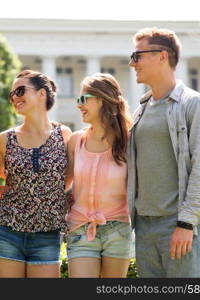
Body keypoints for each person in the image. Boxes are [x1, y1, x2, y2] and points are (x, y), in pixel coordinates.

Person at [128, 27, 200, 277]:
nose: (132, 63)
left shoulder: (195, 104)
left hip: (178, 222)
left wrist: (186, 222)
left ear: (162, 56)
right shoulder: (140, 111)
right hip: (144, 226)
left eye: (137, 56)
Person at [0, 70, 72, 278]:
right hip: (5, 230)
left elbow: (69, 179)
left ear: (42, 93)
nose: (15, 97)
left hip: (47, 233)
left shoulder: (65, 135)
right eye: (12, 95)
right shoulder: (4, 140)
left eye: (20, 90)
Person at [65, 73, 134, 278]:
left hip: (118, 229)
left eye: (83, 99)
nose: (78, 105)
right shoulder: (76, 141)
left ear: (102, 100)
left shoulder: (130, 142)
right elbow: (63, 184)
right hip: (80, 228)